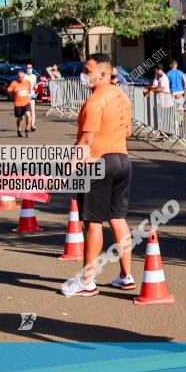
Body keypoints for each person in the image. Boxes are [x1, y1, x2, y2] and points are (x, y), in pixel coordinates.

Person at [63, 53, 135, 297]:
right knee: (118, 219)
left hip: (97, 162)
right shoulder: (121, 95)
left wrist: (69, 169)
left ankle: (87, 280)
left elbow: (85, 141)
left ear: (103, 74)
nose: (83, 74)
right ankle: (126, 276)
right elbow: (128, 131)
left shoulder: (94, 102)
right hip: (122, 160)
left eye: (87, 70)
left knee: (93, 222)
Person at [7, 69, 33, 138]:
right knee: (20, 119)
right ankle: (18, 129)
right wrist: (13, 90)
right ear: (17, 77)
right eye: (19, 77)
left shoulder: (28, 82)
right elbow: (8, 90)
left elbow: (30, 89)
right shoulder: (14, 83)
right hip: (18, 104)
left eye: (22, 77)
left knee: (28, 115)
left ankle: (27, 130)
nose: (21, 79)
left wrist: (30, 91)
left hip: (26, 102)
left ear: (24, 76)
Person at [25, 63, 38, 132]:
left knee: (33, 110)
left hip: (32, 95)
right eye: (27, 68)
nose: (29, 69)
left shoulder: (34, 76)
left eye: (30, 68)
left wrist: (36, 86)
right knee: (27, 112)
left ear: (32, 69)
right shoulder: (24, 76)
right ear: (26, 69)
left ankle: (33, 125)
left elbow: (35, 84)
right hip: (25, 96)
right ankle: (27, 125)